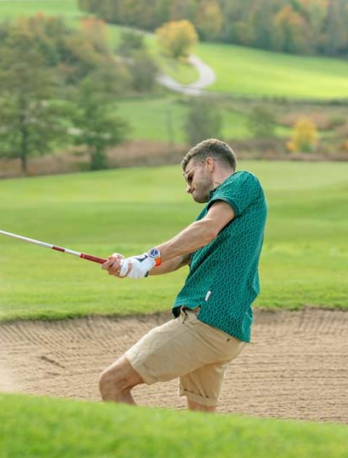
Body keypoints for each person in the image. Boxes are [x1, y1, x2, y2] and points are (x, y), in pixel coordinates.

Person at [99, 138, 267, 413]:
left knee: (111, 384)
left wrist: (148, 257)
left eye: (190, 176)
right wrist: (130, 265)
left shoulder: (242, 182)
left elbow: (206, 230)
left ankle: (146, 456)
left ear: (209, 164)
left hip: (205, 321)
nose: (188, 187)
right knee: (199, 423)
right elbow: (175, 258)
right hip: (224, 330)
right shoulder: (215, 213)